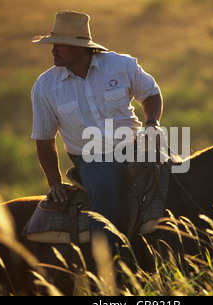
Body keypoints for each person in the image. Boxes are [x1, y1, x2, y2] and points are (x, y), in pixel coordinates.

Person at [31, 11, 163, 250]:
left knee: (176, 172)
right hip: (91, 157)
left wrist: (152, 125)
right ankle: (108, 268)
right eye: (53, 44)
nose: (53, 50)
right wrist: (54, 183)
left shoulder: (121, 65)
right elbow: (44, 139)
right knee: (104, 193)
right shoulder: (45, 87)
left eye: (60, 44)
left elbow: (151, 94)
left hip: (134, 144)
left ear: (80, 47)